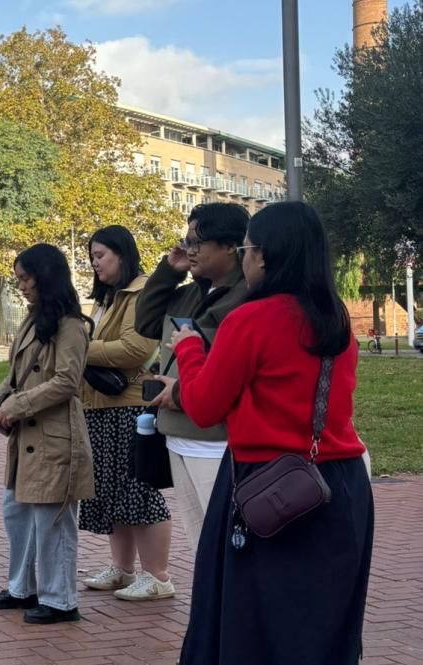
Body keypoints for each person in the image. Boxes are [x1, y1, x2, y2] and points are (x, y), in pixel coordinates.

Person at [170, 202, 372, 664]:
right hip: (340, 483)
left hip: (267, 485)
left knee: (255, 620)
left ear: (262, 256)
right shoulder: (335, 317)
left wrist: (190, 351)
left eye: (244, 249)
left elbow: (204, 406)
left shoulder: (250, 319)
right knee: (324, 619)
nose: (243, 259)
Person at [0, 244, 95, 624]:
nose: (22, 287)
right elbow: (14, 375)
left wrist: (14, 407)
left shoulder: (72, 325)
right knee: (18, 516)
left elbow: (66, 382)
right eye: (18, 280)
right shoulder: (31, 321)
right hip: (25, 439)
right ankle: (22, 588)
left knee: (53, 521)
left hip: (56, 436)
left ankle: (61, 600)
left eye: (26, 279)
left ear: (45, 277)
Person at [134, 203, 249, 552]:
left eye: (197, 243)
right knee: (199, 538)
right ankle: (209, 605)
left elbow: (229, 366)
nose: (189, 251)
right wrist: (169, 271)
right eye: (186, 242)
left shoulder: (243, 296)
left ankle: (225, 605)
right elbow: (146, 322)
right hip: (177, 431)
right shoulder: (191, 292)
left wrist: (181, 392)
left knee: (222, 539)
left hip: (215, 438)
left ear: (230, 246)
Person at [77, 225, 174, 601]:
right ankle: (123, 570)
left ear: (122, 253)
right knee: (113, 491)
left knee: (140, 490)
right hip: (100, 405)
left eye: (100, 255)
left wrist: (81, 348)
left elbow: (135, 348)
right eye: (92, 256)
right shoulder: (109, 298)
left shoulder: (142, 292)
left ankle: (159, 576)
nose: (94, 263)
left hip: (132, 406)